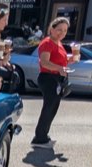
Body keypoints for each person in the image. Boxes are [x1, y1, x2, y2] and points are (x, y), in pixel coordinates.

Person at [32, 17, 79, 148]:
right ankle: (39, 138)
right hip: (48, 78)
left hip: (57, 78)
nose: (62, 33)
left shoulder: (58, 43)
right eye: (59, 30)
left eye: (65, 30)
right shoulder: (47, 42)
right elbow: (44, 62)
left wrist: (70, 60)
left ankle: (43, 135)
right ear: (52, 29)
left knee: (53, 108)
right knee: (49, 107)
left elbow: (59, 60)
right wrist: (59, 68)